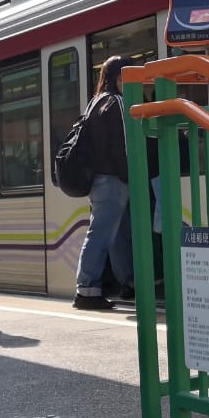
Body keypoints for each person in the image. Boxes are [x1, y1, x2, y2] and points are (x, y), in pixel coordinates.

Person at [72, 56, 134, 311]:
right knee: (101, 235)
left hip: (99, 179)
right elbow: (121, 145)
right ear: (121, 79)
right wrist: (129, 174)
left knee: (115, 234)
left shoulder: (95, 102)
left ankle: (129, 281)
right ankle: (86, 289)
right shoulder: (117, 102)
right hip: (113, 180)